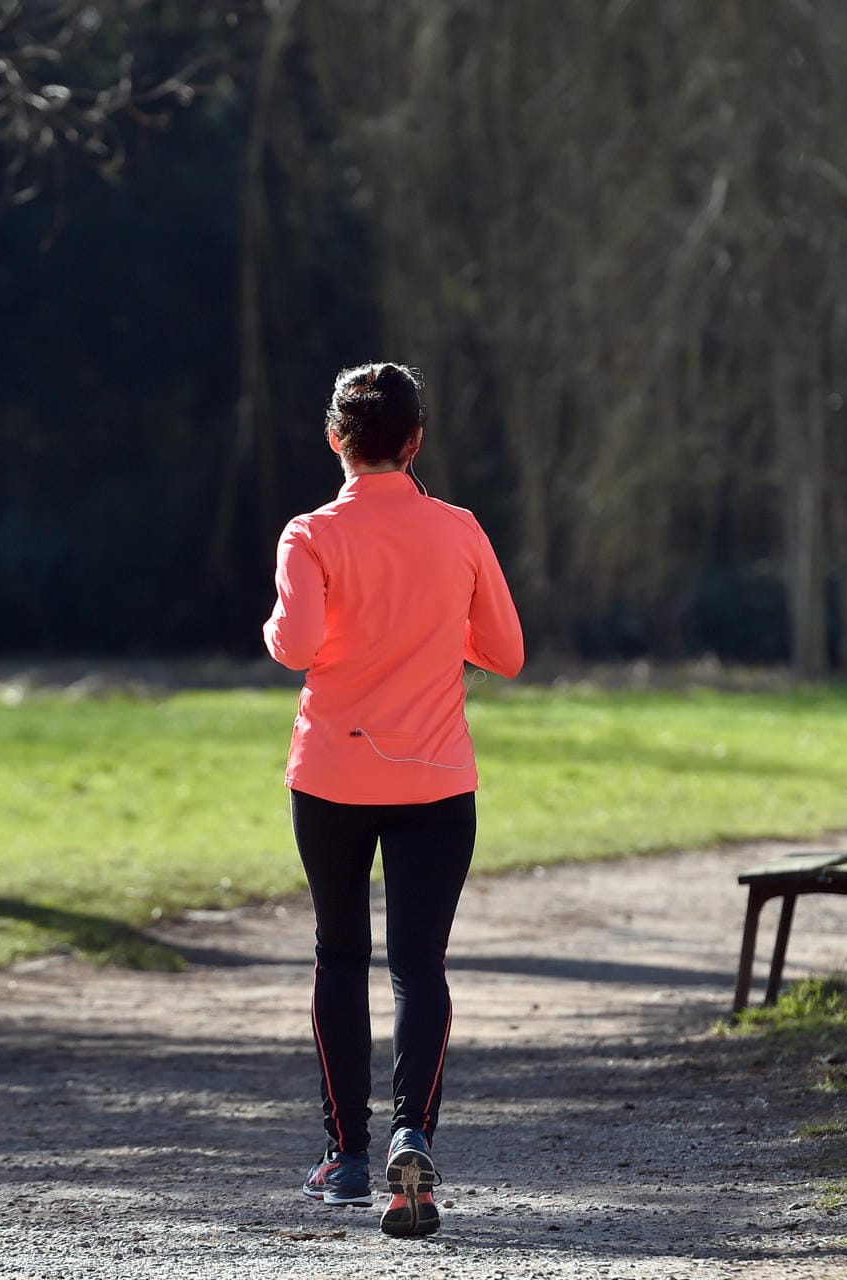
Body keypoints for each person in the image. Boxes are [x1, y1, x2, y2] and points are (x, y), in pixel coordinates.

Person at [262, 361, 524, 1239]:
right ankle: (416, 1133)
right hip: (437, 779)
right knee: (420, 965)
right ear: (415, 443)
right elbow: (507, 651)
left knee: (340, 955)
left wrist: (277, 623)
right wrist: (433, 624)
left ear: (337, 438)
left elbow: (294, 646)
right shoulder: (460, 530)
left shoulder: (309, 535)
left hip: (331, 777)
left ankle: (346, 1158)